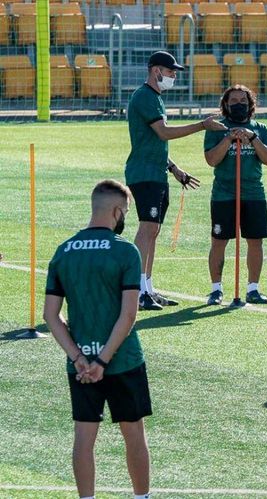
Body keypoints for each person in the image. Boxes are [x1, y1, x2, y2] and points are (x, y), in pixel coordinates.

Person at [43, 180, 153, 499]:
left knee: (83, 436)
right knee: (133, 434)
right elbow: (128, 314)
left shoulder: (63, 252)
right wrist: (104, 359)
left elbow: (51, 315)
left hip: (80, 366)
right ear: (117, 211)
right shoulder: (125, 251)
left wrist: (79, 358)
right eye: (126, 212)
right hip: (124, 360)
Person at [125, 50, 226, 311]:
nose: (172, 76)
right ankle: (137, 291)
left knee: (153, 231)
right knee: (147, 229)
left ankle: (147, 287)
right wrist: (202, 126)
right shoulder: (145, 96)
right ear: (156, 70)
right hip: (144, 173)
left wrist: (173, 168)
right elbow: (163, 133)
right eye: (170, 72)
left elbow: (154, 143)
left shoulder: (154, 98)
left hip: (156, 172)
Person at [203, 84, 267, 306]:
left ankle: (253, 288)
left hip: (253, 193)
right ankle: (216, 289)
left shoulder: (260, 128)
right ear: (225, 104)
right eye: (233, 101)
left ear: (250, 104)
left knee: (255, 241)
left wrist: (253, 138)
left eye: (243, 101)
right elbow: (211, 160)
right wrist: (228, 139)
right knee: (219, 241)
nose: (238, 105)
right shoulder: (216, 128)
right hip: (224, 194)